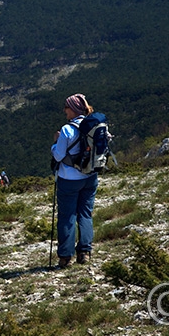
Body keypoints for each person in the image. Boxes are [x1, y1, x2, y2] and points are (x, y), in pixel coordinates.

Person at [50, 93, 99, 268]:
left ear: (73, 109)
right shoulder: (95, 125)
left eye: (66, 107)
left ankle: (65, 256)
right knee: (85, 213)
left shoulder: (66, 130)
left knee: (67, 216)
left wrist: (55, 143)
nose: (65, 110)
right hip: (91, 177)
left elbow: (58, 155)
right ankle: (84, 252)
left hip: (69, 179)